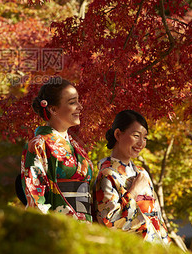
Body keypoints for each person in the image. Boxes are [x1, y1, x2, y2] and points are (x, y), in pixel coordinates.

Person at [92, 110, 171, 244]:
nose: (141, 142)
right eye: (136, 135)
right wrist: (133, 192)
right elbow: (110, 222)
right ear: (118, 134)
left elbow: (157, 217)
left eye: (144, 137)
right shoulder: (107, 175)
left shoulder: (141, 173)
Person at [20, 78, 94, 222]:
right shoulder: (38, 144)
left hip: (86, 224)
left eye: (78, 101)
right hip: (60, 224)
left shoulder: (76, 146)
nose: (80, 107)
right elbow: (35, 196)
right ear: (53, 109)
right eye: (72, 102)